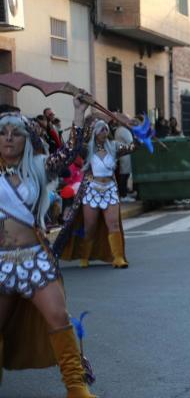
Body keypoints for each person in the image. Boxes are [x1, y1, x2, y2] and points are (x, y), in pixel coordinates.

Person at [0, 98, 96, 397]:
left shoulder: (40, 168)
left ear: (26, 139)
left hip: (36, 260)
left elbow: (69, 154)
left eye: (15, 133)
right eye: (2, 133)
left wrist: (79, 114)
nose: (8, 139)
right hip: (1, 262)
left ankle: (76, 388)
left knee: (58, 317)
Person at [58, 118, 137, 269]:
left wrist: (140, 137)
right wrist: (80, 124)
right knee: (90, 227)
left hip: (110, 189)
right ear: (95, 132)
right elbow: (74, 144)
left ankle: (118, 257)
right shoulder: (87, 149)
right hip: (92, 189)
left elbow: (131, 147)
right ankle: (85, 255)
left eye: (106, 129)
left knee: (113, 224)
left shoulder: (114, 147)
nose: (105, 131)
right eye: (101, 129)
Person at [114, 125, 135, 202]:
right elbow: (130, 141)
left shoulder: (118, 130)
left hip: (122, 154)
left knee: (124, 175)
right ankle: (123, 194)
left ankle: (124, 192)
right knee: (124, 175)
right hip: (126, 155)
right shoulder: (123, 130)